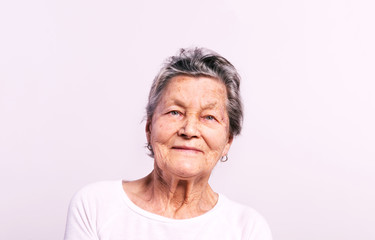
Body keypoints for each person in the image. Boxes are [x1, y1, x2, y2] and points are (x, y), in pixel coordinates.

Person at [64, 47, 273, 240]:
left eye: (209, 117)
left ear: (228, 140)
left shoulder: (247, 229)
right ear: (149, 128)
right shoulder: (96, 206)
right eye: (175, 112)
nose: (189, 130)